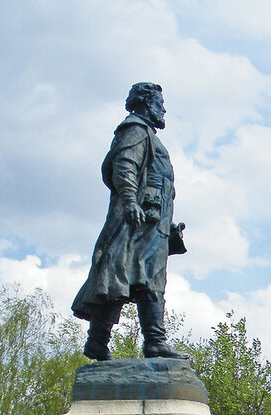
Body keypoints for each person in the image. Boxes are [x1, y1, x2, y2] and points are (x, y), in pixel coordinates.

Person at [71, 82, 188, 360]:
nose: (164, 109)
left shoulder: (148, 134)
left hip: (153, 222)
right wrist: (131, 201)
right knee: (124, 278)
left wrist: (167, 224)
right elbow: (125, 165)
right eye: (160, 103)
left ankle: (136, 342)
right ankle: (141, 342)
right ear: (147, 103)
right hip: (137, 222)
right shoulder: (136, 129)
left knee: (143, 279)